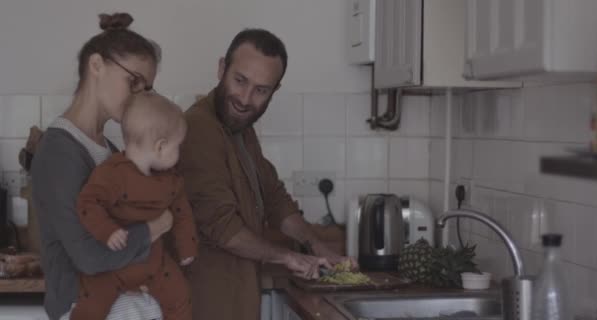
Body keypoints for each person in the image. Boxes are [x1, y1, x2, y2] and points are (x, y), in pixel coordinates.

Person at [179, 28, 358, 320]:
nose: (246, 98)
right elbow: (223, 228)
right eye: (240, 81)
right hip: (206, 302)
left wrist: (319, 248)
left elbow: (274, 198)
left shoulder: (240, 128)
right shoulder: (200, 129)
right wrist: (288, 257)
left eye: (261, 90)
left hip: (236, 298)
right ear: (222, 68)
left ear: (275, 90)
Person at [31, 13, 167, 320]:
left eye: (145, 89)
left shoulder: (110, 150)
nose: (138, 98)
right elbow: (89, 257)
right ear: (96, 66)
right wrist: (155, 228)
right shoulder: (59, 152)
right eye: (133, 82)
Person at [70, 93, 198, 320]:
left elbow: (181, 211)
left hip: (154, 263)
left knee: (180, 296)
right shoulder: (111, 174)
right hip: (114, 266)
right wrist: (107, 231)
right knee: (91, 306)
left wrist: (187, 245)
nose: (179, 154)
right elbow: (88, 203)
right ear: (161, 147)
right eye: (178, 147)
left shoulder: (170, 179)